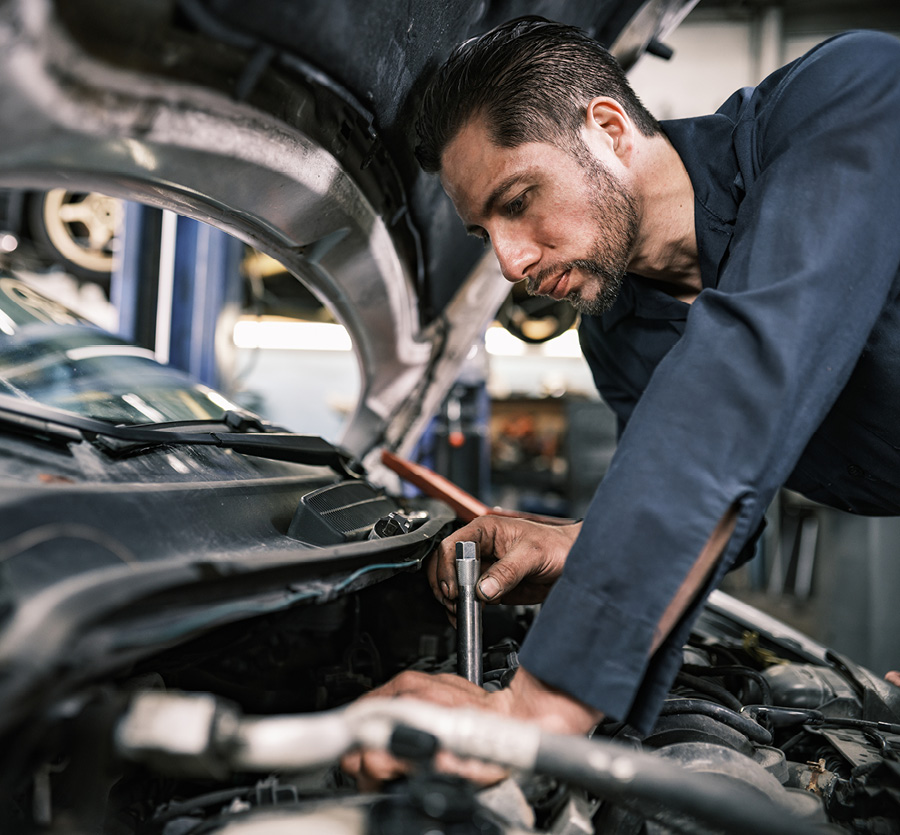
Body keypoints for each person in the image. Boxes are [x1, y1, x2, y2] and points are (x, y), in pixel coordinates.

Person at [342, 17, 900, 785]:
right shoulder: (617, 335)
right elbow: (722, 510)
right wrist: (585, 541)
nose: (509, 261)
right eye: (485, 232)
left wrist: (534, 710)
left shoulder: (851, 96)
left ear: (607, 127)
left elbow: (745, 373)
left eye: (519, 199)